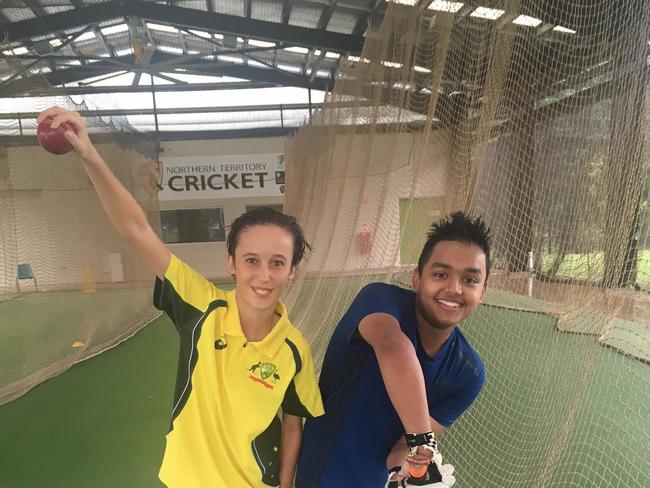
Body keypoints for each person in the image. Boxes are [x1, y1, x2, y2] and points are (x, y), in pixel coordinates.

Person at [37, 107, 324, 488]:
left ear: (291, 271)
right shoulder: (201, 305)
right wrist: (90, 153)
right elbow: (136, 230)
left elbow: (293, 422)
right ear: (232, 263)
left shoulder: (293, 348)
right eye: (251, 260)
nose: (264, 275)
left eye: (277, 263)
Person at [296, 212, 490, 488]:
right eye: (440, 274)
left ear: (483, 291)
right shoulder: (379, 299)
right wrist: (424, 445)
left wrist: (413, 473)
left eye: (470, 280)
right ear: (417, 278)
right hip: (319, 479)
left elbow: (401, 448)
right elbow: (393, 347)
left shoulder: (468, 373)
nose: (453, 288)